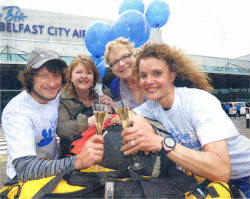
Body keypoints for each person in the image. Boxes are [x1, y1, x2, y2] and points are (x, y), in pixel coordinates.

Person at [120, 42, 250, 197]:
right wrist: (139, 122)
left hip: (244, 175)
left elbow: (221, 170)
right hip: (210, 179)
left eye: (157, 73)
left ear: (172, 75)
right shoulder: (152, 106)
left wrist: (161, 143)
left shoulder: (198, 102)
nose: (148, 81)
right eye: (143, 75)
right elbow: (125, 114)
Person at [1, 49, 104, 182]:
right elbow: (25, 168)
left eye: (56, 76)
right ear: (30, 78)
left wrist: (103, 99)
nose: (52, 83)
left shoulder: (55, 95)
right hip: (25, 180)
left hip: (55, 171)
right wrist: (77, 161)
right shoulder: (17, 112)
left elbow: (82, 92)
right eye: (43, 75)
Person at [56, 54, 113, 157]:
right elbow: (62, 130)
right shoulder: (62, 99)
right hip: (71, 157)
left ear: (93, 79)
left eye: (89, 73)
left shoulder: (103, 95)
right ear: (70, 77)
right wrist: (87, 122)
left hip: (101, 154)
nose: (84, 76)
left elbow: (112, 126)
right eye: (79, 72)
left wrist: (112, 108)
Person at [104, 37, 147, 109]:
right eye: (115, 62)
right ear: (112, 69)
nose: (121, 64)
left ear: (134, 56)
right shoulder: (115, 86)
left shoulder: (151, 75)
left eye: (125, 57)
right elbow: (122, 110)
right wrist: (113, 106)